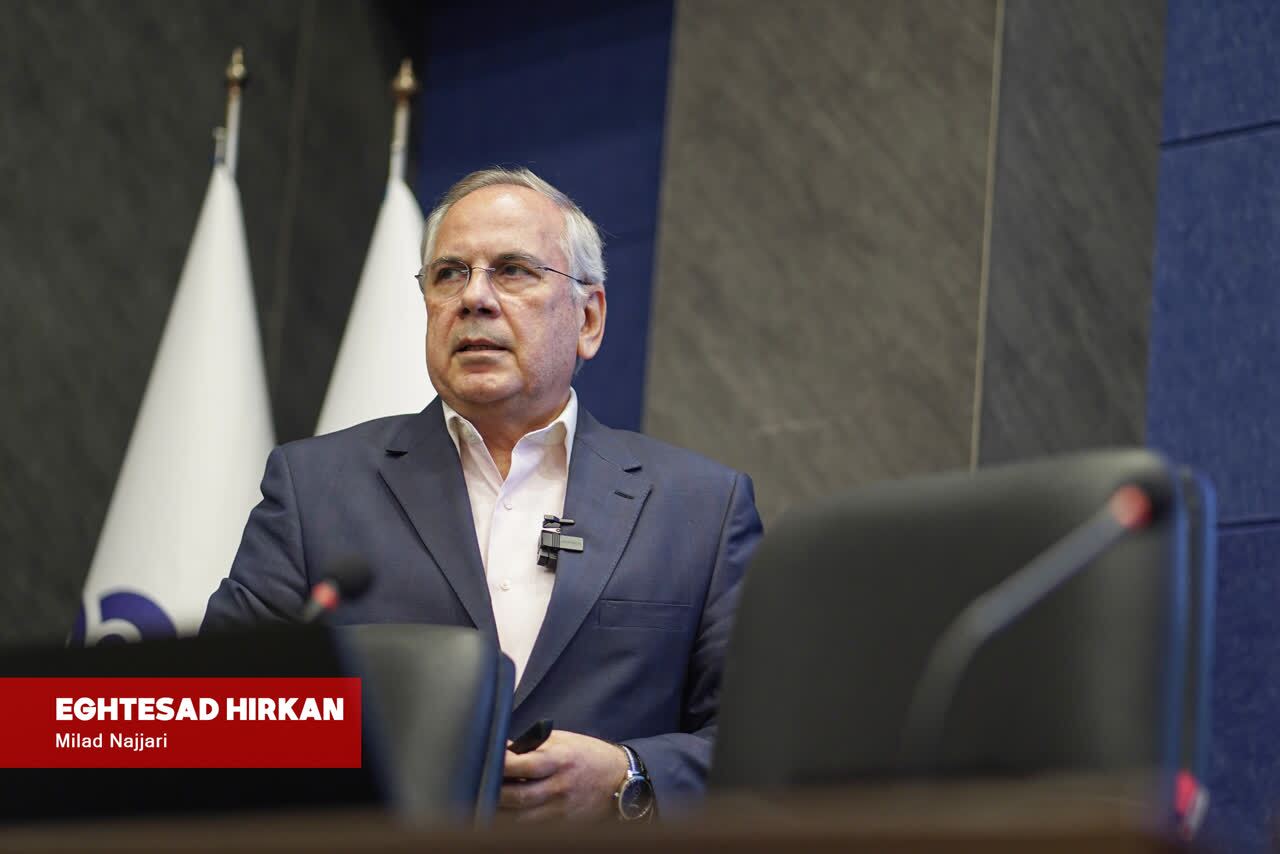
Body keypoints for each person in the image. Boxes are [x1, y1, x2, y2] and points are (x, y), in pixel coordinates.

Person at [202, 167, 763, 821]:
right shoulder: (316, 489)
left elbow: (760, 748)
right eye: (449, 274)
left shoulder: (700, 508)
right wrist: (391, 756)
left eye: (514, 271)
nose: (474, 298)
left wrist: (628, 777)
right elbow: (211, 715)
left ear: (588, 319)